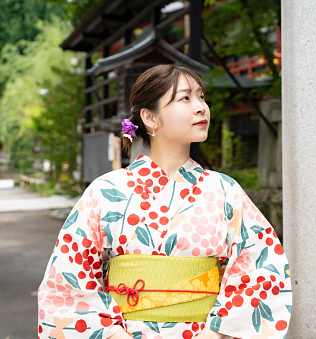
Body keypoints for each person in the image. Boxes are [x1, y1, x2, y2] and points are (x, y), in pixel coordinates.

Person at [38, 64, 292, 339]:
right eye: (185, 98)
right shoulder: (106, 191)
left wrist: (215, 334)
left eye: (202, 97)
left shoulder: (224, 190)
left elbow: (262, 267)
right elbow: (68, 277)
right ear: (150, 117)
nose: (200, 107)